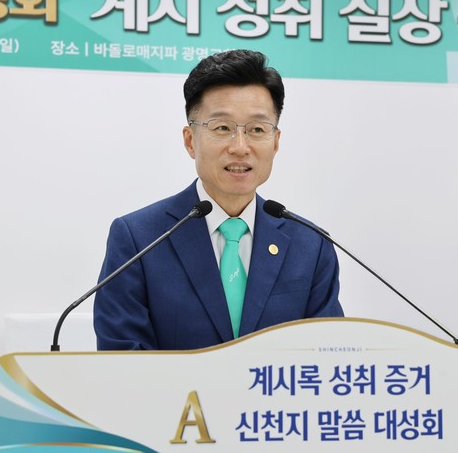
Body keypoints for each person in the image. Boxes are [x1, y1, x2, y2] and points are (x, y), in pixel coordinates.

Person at [94, 49, 343, 350]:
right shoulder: (139, 240)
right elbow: (122, 361)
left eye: (257, 130)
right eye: (222, 128)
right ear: (190, 141)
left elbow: (327, 358)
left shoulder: (311, 245)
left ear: (276, 142)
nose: (240, 147)